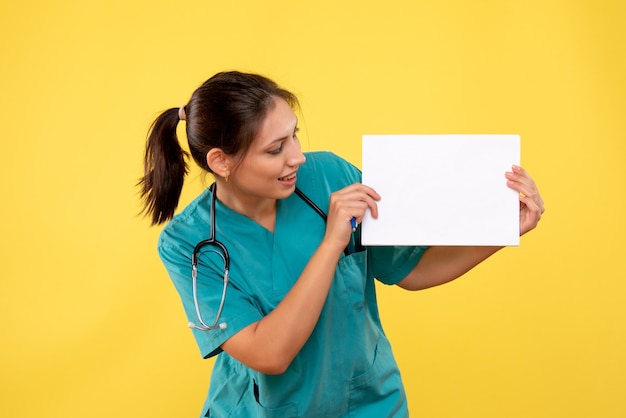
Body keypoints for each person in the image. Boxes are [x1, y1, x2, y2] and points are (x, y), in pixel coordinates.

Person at [139, 71, 544, 417]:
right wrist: (332, 242)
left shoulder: (330, 175)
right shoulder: (188, 244)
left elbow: (413, 270)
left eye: (293, 136)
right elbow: (270, 353)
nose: (297, 157)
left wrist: (502, 229)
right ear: (220, 162)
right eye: (275, 149)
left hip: (367, 404)